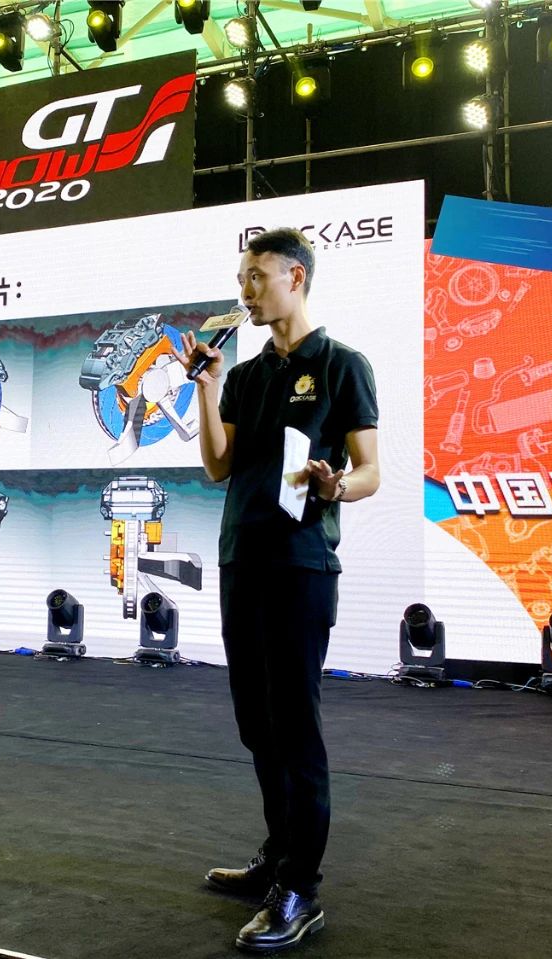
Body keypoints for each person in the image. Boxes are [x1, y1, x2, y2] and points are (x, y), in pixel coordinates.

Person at [180, 227, 380, 953]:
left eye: (256, 276)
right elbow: (217, 466)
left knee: (295, 728)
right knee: (256, 724)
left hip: (301, 565)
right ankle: (277, 854)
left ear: (295, 277)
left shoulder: (343, 365)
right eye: (242, 277)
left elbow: (369, 471)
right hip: (243, 560)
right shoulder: (243, 374)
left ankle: (301, 889)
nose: (246, 290)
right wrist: (206, 388)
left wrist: (335, 486)